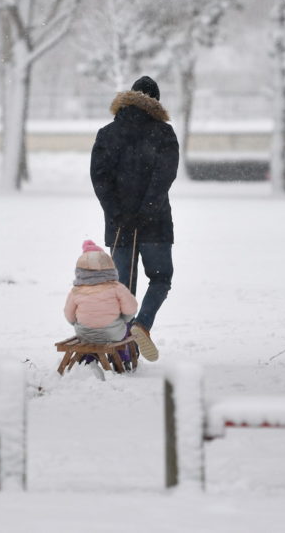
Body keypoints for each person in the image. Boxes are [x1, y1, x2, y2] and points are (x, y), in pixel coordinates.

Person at [90, 75, 178, 362]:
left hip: (119, 226)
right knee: (161, 278)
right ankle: (143, 324)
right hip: (156, 225)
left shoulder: (107, 133)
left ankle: (125, 353)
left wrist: (118, 213)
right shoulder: (164, 133)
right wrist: (146, 210)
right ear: (156, 101)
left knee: (123, 288)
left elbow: (100, 178)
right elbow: (164, 177)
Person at [63, 240, 137, 345]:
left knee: (89, 336)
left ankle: (89, 359)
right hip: (113, 333)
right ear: (110, 267)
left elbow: (69, 315)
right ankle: (123, 357)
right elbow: (131, 309)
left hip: (84, 334)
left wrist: (82, 322)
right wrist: (124, 319)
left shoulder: (76, 291)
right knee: (125, 332)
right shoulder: (117, 287)